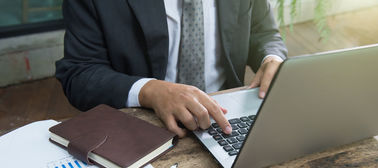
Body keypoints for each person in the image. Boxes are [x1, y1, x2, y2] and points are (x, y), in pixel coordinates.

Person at [56, 0, 288, 138]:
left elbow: (263, 32)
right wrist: (150, 91)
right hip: (144, 126)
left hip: (225, 118)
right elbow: (79, 73)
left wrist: (272, 57)